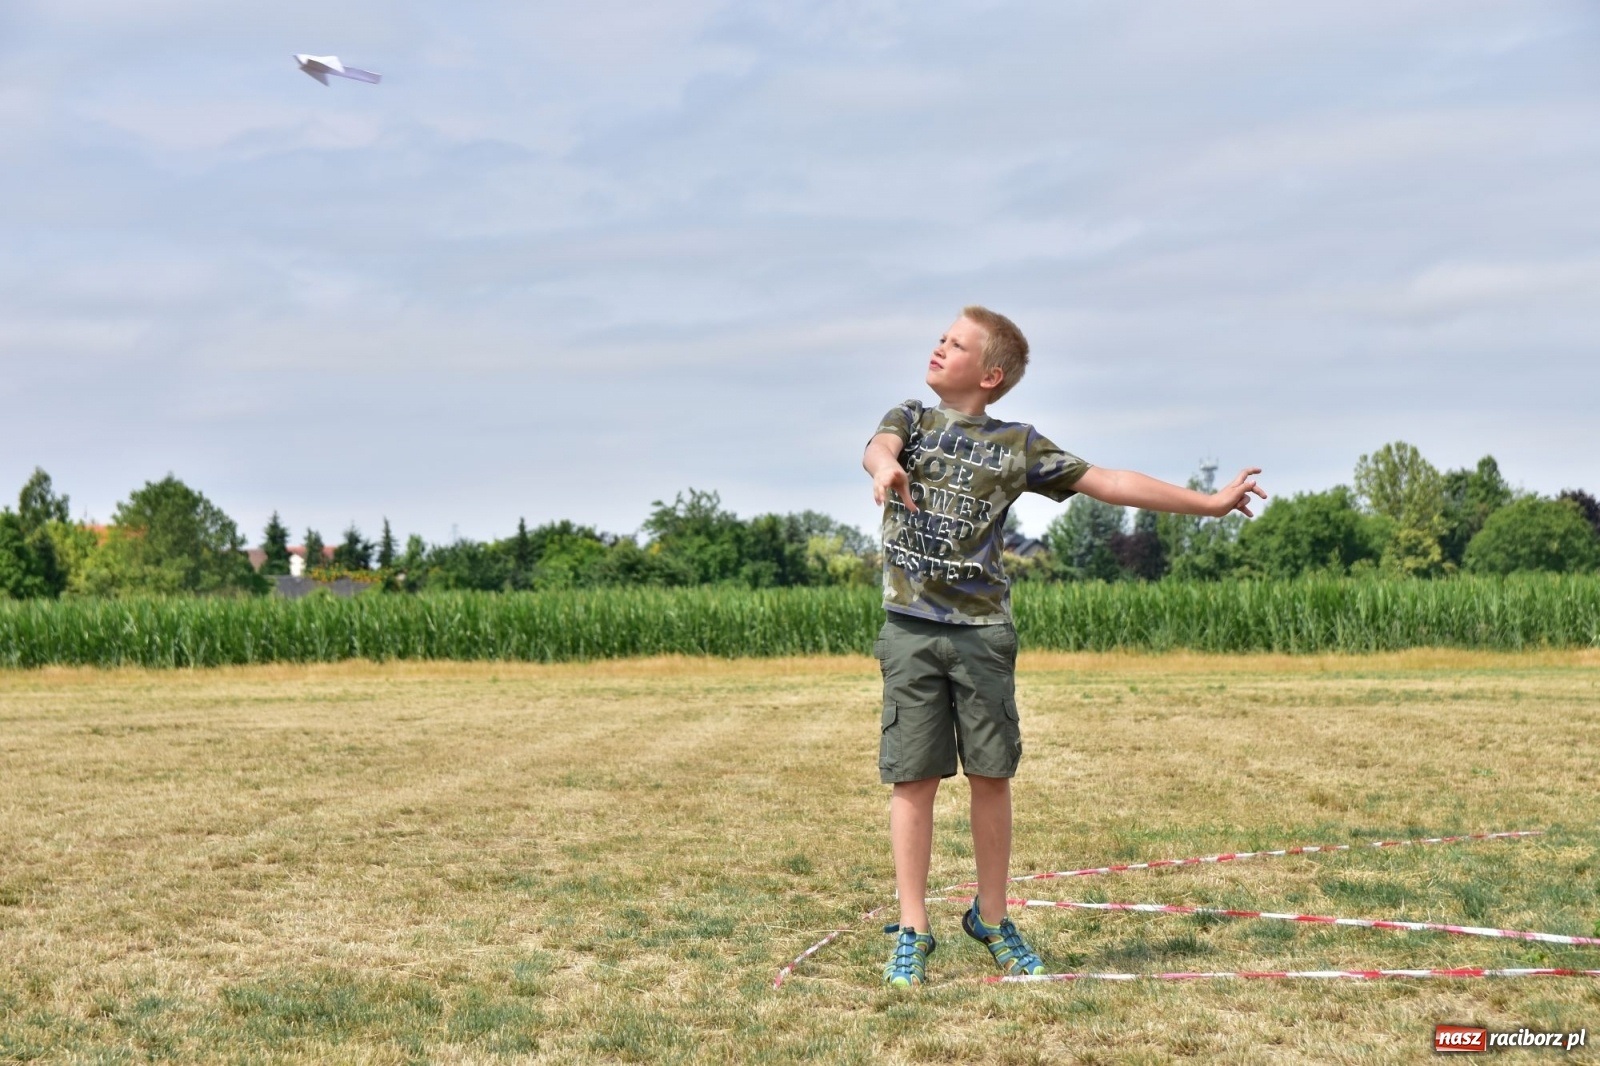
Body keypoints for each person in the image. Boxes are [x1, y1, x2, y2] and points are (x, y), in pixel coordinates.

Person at [862, 306, 1266, 987]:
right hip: (909, 629)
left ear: (990, 375)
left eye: (954, 344)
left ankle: (991, 919)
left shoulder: (1017, 444)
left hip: (983, 635)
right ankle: (912, 928)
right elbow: (877, 448)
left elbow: (1107, 481)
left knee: (992, 776)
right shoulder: (910, 418)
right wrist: (884, 470)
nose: (938, 347)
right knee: (913, 778)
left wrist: (1210, 503)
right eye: (939, 337)